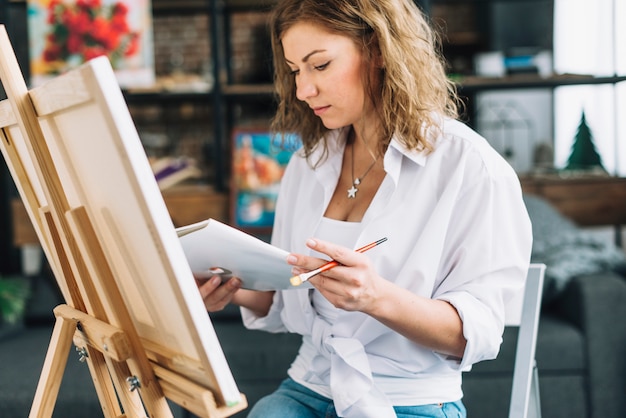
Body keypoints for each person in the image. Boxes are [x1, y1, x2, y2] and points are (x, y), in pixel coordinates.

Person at [197, 0, 532, 417]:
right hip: (306, 387)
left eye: (319, 66)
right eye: (295, 70)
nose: (303, 90)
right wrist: (228, 290)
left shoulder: (469, 166)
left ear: (378, 50)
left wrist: (376, 297)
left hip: (410, 400)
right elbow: (288, 295)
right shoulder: (309, 162)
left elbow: (478, 335)